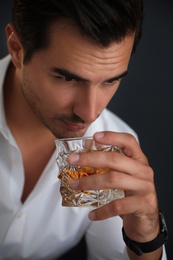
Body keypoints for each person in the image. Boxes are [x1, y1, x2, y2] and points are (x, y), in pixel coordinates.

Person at [0, 0, 168, 259]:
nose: (90, 114)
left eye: (111, 81)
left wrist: (146, 237)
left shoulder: (117, 150)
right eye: (68, 78)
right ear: (17, 49)